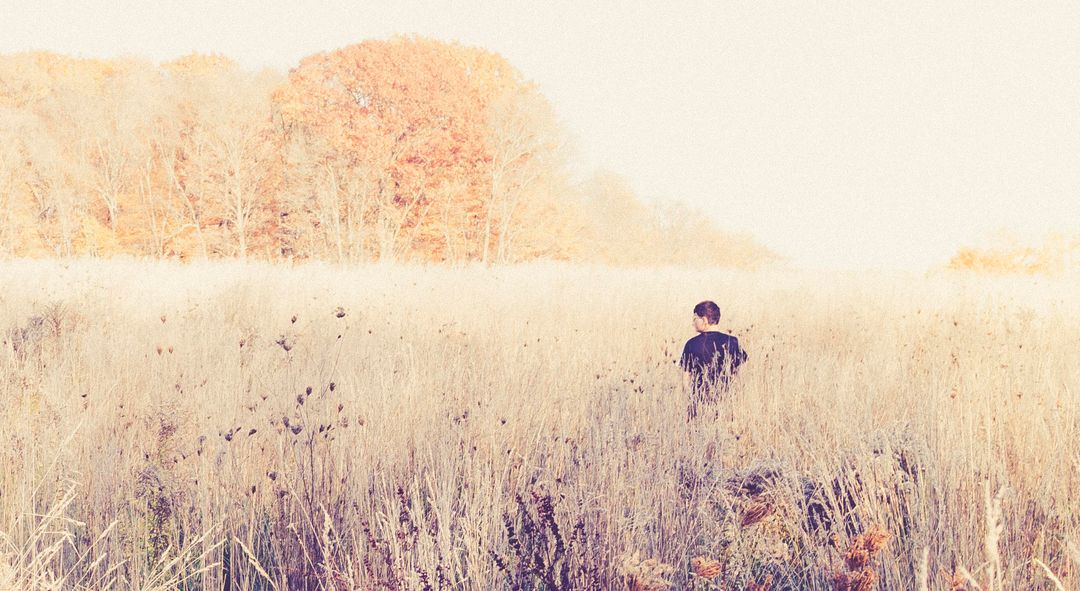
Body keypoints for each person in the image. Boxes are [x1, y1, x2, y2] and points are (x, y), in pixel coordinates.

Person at [680, 300, 748, 419]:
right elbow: (740, 377)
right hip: (726, 403)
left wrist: (692, 401)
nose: (693, 323)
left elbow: (685, 380)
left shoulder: (691, 344)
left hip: (699, 404)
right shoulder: (732, 342)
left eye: (695, 318)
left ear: (705, 320)